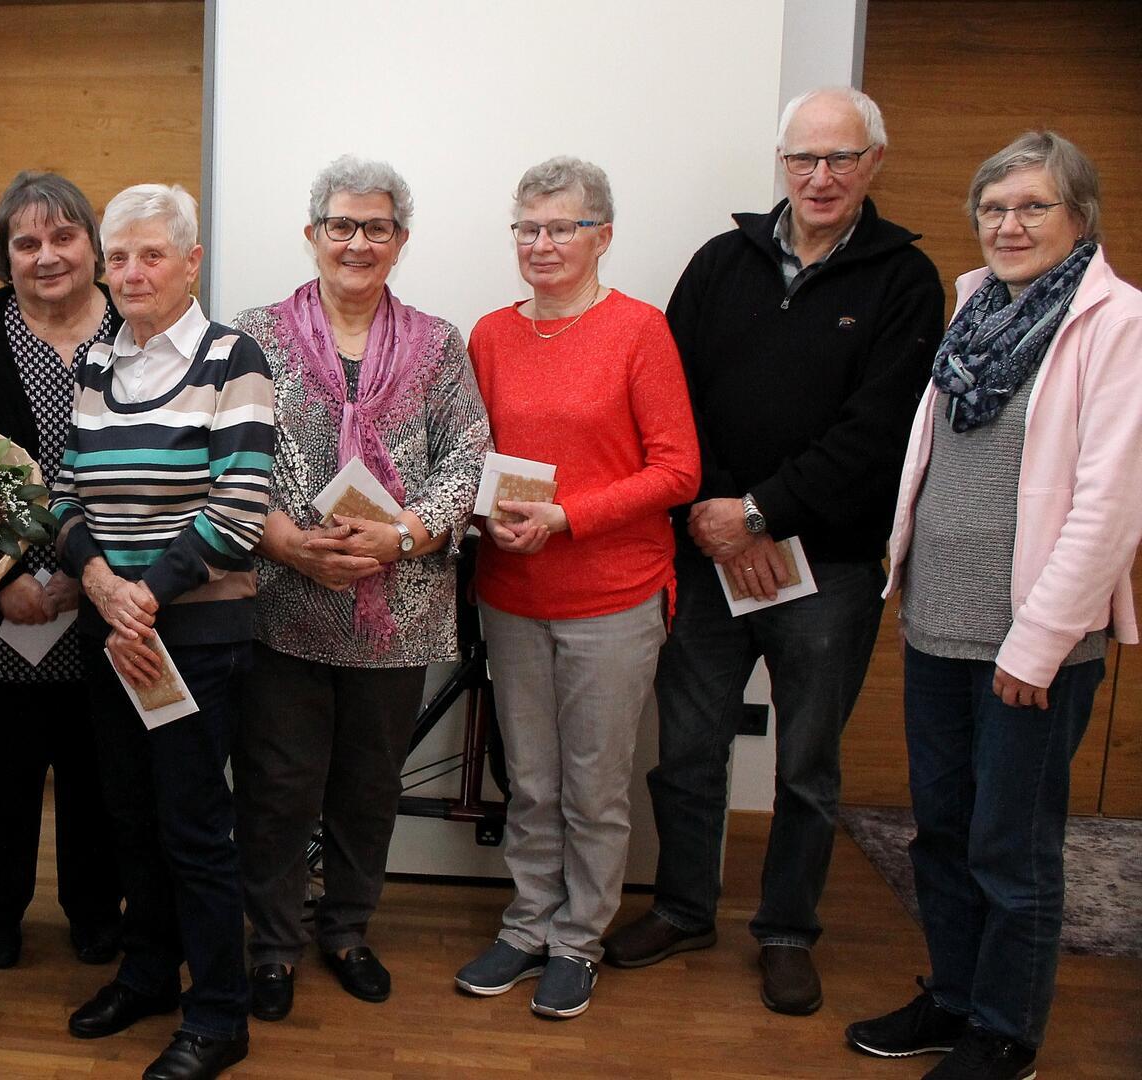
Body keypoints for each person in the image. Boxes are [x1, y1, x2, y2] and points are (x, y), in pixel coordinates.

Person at [604, 87, 946, 1016]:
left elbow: (878, 432)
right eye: (804, 159)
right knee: (688, 750)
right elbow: (668, 400)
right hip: (710, 555)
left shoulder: (906, 280)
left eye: (840, 159)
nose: (820, 177)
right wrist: (720, 517)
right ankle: (682, 908)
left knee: (806, 765)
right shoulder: (722, 262)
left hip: (828, 565)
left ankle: (788, 931)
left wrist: (762, 513)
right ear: (782, 163)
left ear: (874, 162)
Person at [848, 131, 1142, 1080]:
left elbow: (1109, 504)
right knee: (940, 829)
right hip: (939, 620)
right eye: (993, 208)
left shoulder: (1116, 325)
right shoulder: (976, 305)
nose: (1007, 225)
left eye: (1031, 207)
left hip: (1035, 642)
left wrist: (1041, 643)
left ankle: (1005, 1031)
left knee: (1010, 849)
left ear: (1080, 218)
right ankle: (953, 996)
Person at [229, 155, 487, 1021]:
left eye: (377, 227)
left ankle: (344, 929)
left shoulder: (439, 344)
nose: (357, 242)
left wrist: (403, 535)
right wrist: (293, 546)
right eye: (341, 224)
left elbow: (468, 459)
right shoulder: (251, 336)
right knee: (277, 784)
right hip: (282, 601)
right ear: (312, 235)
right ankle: (270, 944)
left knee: (369, 784)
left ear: (401, 242)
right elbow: (229, 459)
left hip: (398, 608)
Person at [450, 157, 700, 1020]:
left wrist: (567, 516)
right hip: (511, 590)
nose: (542, 243)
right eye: (528, 227)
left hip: (613, 596)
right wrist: (487, 520)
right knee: (530, 778)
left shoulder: (640, 331)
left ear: (603, 235)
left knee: (595, 785)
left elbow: (679, 469)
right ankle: (525, 925)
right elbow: (472, 461)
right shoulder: (489, 333)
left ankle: (577, 938)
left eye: (562, 227)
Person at [50, 183, 273, 1080]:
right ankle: (147, 973)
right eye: (119, 257)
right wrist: (102, 584)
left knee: (192, 826)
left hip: (196, 637)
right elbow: (63, 497)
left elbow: (242, 509)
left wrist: (143, 595)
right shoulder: (98, 363)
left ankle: (219, 1013)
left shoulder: (234, 360)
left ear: (191, 262)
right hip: (115, 630)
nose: (131, 272)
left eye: (152, 255)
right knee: (128, 819)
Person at [0, 171, 124, 971]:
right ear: (4, 255)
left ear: (94, 247)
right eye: (26, 242)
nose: (47, 256)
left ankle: (94, 909)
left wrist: (93, 577)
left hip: (114, 591)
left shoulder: (140, 327)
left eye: (63, 236)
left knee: (99, 767)